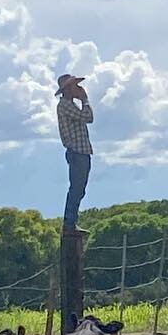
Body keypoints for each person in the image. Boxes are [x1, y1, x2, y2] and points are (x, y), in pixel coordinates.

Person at [55, 73, 94, 230]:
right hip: (77, 152)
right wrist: (85, 100)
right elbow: (88, 117)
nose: (77, 88)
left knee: (79, 188)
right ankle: (69, 223)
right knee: (76, 188)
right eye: (73, 85)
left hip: (81, 151)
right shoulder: (65, 105)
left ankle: (71, 222)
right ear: (67, 89)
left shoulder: (69, 105)